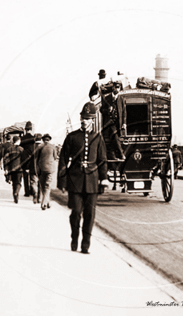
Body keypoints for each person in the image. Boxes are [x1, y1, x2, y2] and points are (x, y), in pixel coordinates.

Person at [57, 102, 109, 254]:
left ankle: (85, 245)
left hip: (92, 182)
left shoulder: (98, 138)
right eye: (82, 118)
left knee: (89, 215)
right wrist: (62, 181)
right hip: (75, 181)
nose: (84, 121)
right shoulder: (72, 137)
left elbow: (102, 160)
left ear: (92, 120)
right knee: (75, 212)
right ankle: (74, 237)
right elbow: (63, 159)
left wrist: (103, 179)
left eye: (87, 118)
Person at [101, 81, 127, 160]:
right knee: (114, 135)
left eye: (118, 88)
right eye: (116, 87)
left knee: (114, 139)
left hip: (118, 123)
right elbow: (101, 110)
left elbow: (124, 112)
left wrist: (124, 123)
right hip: (109, 123)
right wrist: (108, 110)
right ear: (113, 88)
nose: (117, 89)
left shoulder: (121, 99)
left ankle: (112, 155)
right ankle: (121, 154)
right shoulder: (106, 98)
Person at [36, 133, 57, 210]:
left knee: (43, 186)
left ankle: (47, 202)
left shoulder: (39, 147)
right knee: (47, 186)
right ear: (49, 139)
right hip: (50, 170)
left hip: (42, 169)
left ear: (43, 139)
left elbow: (36, 158)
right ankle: (44, 203)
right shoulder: (53, 146)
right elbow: (55, 157)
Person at [4, 136, 24, 204]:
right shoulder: (21, 149)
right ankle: (16, 193)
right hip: (19, 169)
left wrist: (6, 169)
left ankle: (14, 196)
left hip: (11, 168)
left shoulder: (9, 149)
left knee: (13, 183)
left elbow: (6, 160)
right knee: (18, 182)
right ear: (18, 141)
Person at [20, 121, 34, 197]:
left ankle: (27, 192)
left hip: (24, 160)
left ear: (25, 129)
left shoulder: (22, 139)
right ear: (31, 129)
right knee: (32, 176)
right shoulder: (33, 138)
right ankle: (32, 190)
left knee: (25, 177)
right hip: (32, 159)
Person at [29, 133, 43, 204]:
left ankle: (35, 194)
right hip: (41, 168)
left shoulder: (31, 147)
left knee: (33, 183)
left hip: (33, 167)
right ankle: (39, 198)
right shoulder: (43, 147)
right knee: (40, 183)